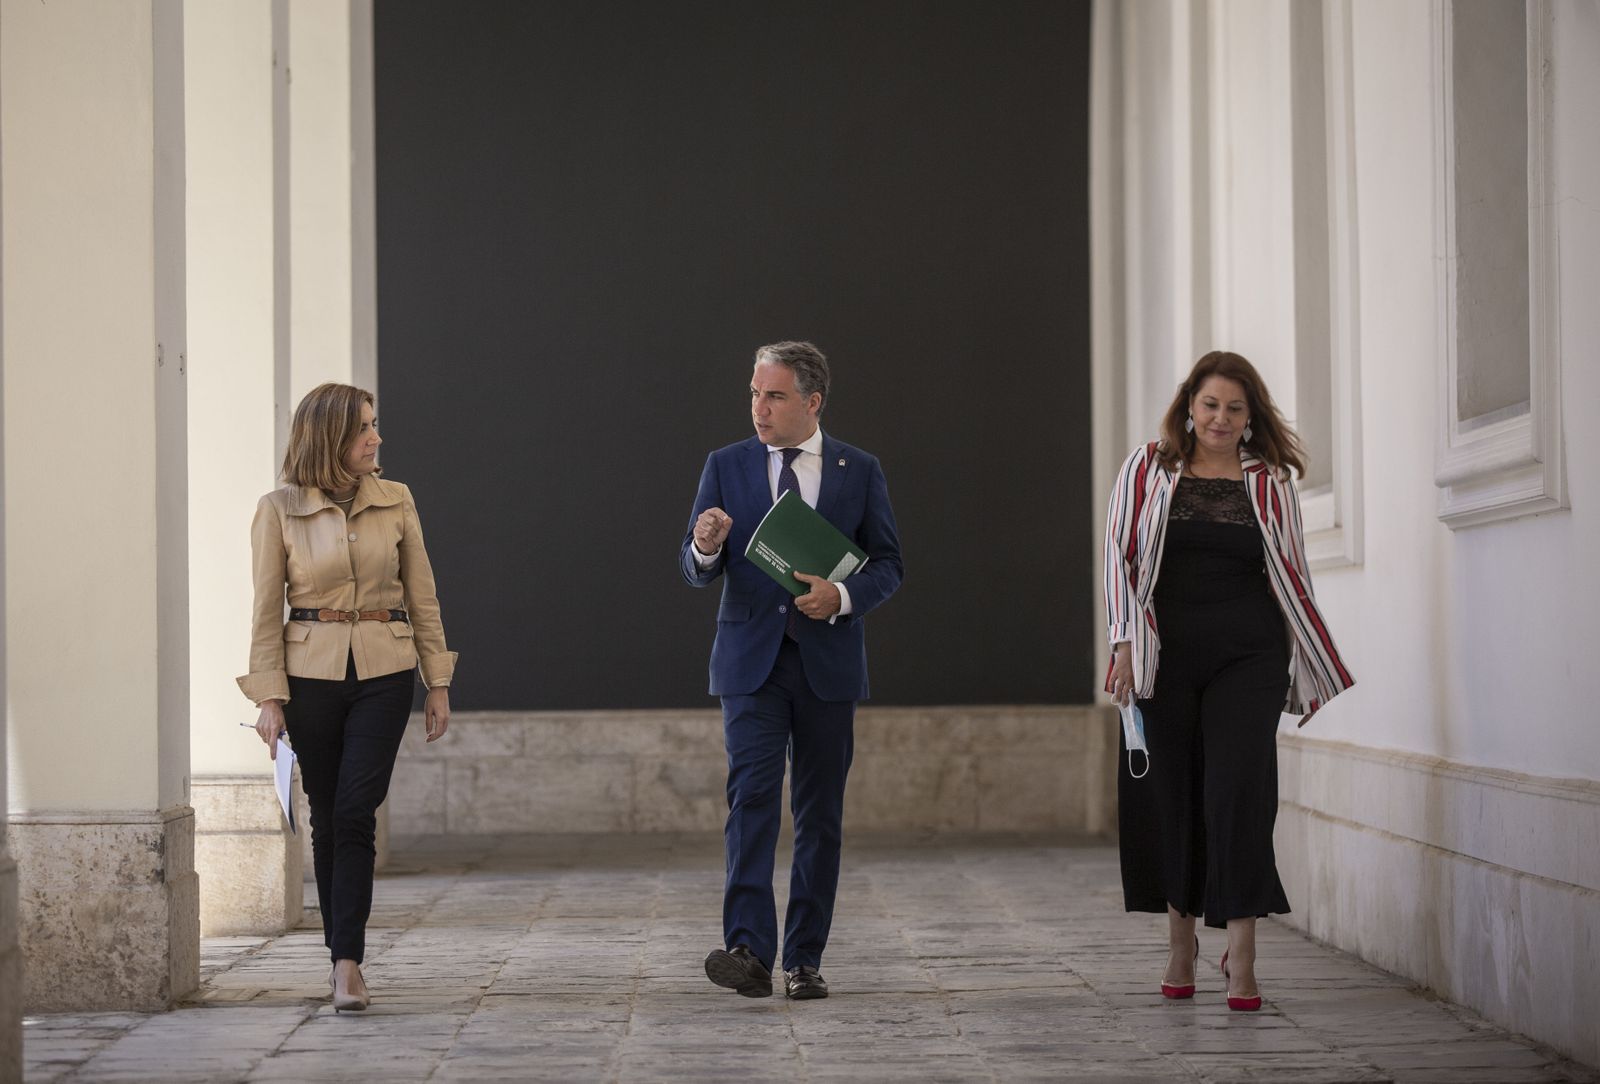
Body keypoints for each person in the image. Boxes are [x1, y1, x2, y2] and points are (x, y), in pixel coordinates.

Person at [1103, 350, 1354, 1011]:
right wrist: (1123, 643)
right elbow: (1120, 559)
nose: (1220, 417)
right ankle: (1181, 943)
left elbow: (1292, 571)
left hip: (1250, 653)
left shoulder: (1270, 480)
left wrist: (1307, 661)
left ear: (1250, 418)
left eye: (1234, 408)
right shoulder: (1149, 466)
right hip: (1166, 653)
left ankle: (1242, 958)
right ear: (1190, 406)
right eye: (1210, 404)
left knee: (1240, 791)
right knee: (1177, 794)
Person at [680, 341, 904, 1000]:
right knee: (750, 802)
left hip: (827, 664)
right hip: (750, 664)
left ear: (812, 401)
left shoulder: (857, 470)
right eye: (754, 393)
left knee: (818, 815)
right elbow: (693, 568)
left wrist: (842, 596)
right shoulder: (725, 465)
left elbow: (889, 563)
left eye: (774, 395)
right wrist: (703, 543)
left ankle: (804, 959)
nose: (759, 408)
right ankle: (748, 949)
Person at [238, 382, 457, 1013]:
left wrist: (437, 680)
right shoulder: (277, 509)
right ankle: (341, 958)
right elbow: (263, 613)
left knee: (357, 809)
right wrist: (269, 697)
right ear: (330, 438)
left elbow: (423, 595)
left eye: (374, 425)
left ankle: (349, 964)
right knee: (327, 815)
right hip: (309, 675)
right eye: (365, 428)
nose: (376, 438)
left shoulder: (397, 501)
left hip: (385, 672)